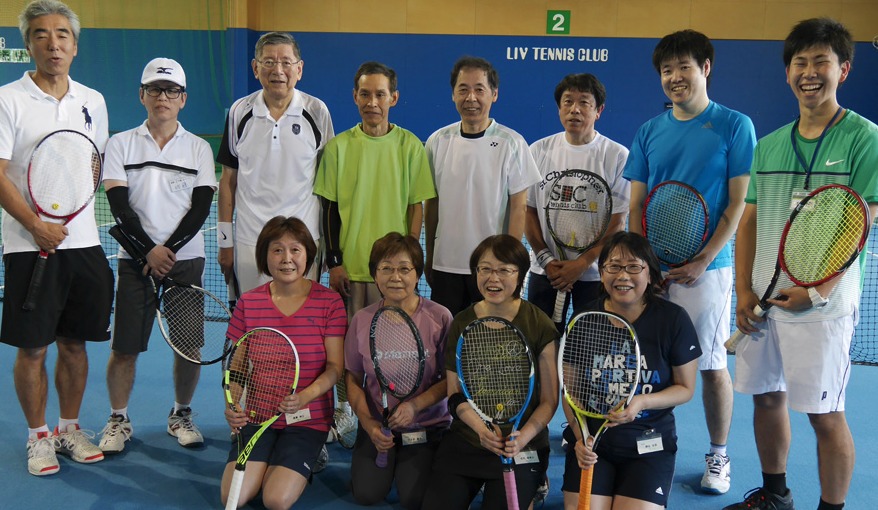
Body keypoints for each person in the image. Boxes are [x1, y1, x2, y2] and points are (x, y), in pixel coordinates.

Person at [725, 18, 878, 510]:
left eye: (821, 62)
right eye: (800, 62)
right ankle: (775, 495)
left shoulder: (864, 138)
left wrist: (820, 288)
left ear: (844, 69)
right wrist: (743, 292)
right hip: (765, 301)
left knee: (824, 414)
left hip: (820, 307)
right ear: (788, 72)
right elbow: (748, 223)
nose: (809, 72)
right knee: (766, 398)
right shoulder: (768, 144)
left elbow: (865, 218)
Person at [623, 29, 756, 495]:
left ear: (706, 67)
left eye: (684, 67)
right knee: (639, 357)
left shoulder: (735, 125)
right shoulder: (648, 132)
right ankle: (634, 437)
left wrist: (704, 259)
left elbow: (737, 203)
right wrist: (642, 267)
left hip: (707, 273)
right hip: (651, 271)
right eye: (666, 70)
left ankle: (719, 455)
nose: (675, 77)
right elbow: (636, 204)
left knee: (711, 362)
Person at [0, 0, 114, 476]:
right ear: (28, 44)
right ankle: (38, 437)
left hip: (84, 244)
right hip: (31, 245)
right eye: (42, 35)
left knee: (75, 344)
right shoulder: (8, 99)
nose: (54, 43)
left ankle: (69, 428)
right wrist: (35, 223)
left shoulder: (93, 100)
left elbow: (94, 165)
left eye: (63, 34)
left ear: (75, 44)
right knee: (34, 348)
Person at [97, 58, 217, 454]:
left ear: (182, 99)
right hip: (136, 262)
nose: (162, 97)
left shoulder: (199, 148)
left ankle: (181, 413)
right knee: (125, 347)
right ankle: (118, 418)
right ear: (142, 95)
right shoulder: (120, 144)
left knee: (189, 348)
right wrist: (149, 251)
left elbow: (200, 209)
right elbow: (119, 206)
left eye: (170, 91)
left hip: (186, 262)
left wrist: (169, 251)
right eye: (154, 89)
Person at [422, 234, 559, 510]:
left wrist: (524, 436)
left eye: (504, 270)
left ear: (519, 274)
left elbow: (549, 401)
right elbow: (454, 395)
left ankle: (534, 482)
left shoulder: (539, 324)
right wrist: (480, 430)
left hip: (522, 444)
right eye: (485, 269)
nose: (492, 278)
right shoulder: (462, 322)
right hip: (469, 438)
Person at [565, 231, 700, 510]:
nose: (622, 275)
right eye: (613, 266)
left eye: (633, 267)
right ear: (602, 274)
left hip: (649, 446)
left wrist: (642, 402)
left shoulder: (673, 319)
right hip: (594, 444)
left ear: (650, 274)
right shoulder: (583, 320)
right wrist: (580, 438)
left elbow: (685, 388)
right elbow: (571, 393)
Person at [220, 216, 346, 509]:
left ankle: (305, 454)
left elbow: (335, 368)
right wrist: (233, 405)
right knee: (233, 498)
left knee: (275, 500)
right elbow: (237, 368)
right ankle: (275, 457)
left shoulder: (329, 303)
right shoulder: (249, 303)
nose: (286, 258)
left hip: (308, 418)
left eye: (295, 250)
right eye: (277, 250)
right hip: (258, 415)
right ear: (265, 256)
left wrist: (304, 397)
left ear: (307, 256)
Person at [216, 31, 333, 295]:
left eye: (286, 62)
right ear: (255, 68)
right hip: (250, 240)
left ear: (299, 69)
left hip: (304, 239)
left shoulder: (317, 111)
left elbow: (328, 184)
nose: (277, 70)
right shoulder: (239, 112)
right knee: (253, 325)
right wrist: (225, 242)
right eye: (268, 62)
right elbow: (228, 182)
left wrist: (327, 244)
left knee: (301, 321)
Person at [424, 56, 541, 317]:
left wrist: (508, 263)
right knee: (447, 341)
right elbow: (432, 204)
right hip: (446, 266)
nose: (471, 98)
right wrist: (430, 257)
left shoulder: (512, 142)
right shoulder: (437, 141)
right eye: (463, 89)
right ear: (453, 94)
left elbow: (519, 207)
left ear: (494, 94)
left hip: (492, 269)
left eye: (479, 89)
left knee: (488, 343)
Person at [344, 232, 452, 509]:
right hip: (379, 425)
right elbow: (353, 378)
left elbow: (451, 380)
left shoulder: (440, 317)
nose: (395, 277)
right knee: (366, 494)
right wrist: (368, 425)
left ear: (417, 275)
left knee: (415, 498)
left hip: (426, 425)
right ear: (375, 275)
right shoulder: (362, 319)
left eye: (405, 269)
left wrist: (415, 406)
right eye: (386, 268)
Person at [525, 73, 630, 330]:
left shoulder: (617, 156)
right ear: (559, 108)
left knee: (588, 349)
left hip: (595, 274)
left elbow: (616, 223)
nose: (575, 109)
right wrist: (547, 260)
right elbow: (527, 211)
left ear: (598, 111)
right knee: (542, 347)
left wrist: (582, 264)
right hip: (545, 272)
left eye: (584, 102)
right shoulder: (537, 151)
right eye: (567, 102)